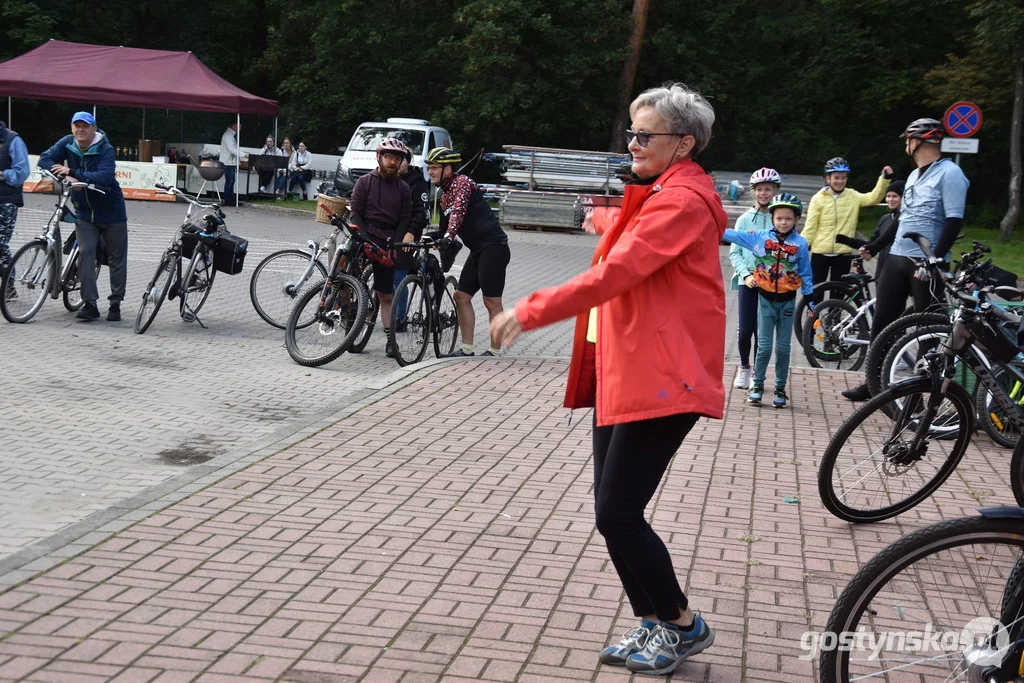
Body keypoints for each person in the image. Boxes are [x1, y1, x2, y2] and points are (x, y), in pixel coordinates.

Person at [490, 83, 724, 675]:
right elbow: (631, 239)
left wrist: (528, 309)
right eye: (631, 131)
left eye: (646, 135)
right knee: (611, 511)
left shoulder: (683, 201)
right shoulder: (662, 191)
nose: (633, 143)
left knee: (617, 513)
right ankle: (653, 622)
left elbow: (620, 271)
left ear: (684, 144)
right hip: (631, 372)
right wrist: (606, 217)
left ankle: (680, 624)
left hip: (665, 379)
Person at [842, 118, 968, 401]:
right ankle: (873, 383)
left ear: (918, 141)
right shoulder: (913, 176)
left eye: (907, 140)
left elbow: (954, 221)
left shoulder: (950, 173)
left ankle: (921, 394)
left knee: (928, 330)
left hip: (926, 263)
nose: (905, 145)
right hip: (897, 258)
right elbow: (902, 221)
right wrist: (875, 246)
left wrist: (935, 259)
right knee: (883, 322)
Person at [722, 192, 814, 408]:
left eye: (789, 218)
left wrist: (811, 299)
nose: (784, 222)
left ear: (796, 219)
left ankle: (780, 388)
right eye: (779, 218)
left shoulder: (800, 244)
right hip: (764, 301)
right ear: (772, 218)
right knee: (763, 347)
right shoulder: (759, 237)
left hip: (788, 302)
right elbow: (731, 235)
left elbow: (806, 274)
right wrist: (709, 221)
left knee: (783, 348)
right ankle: (757, 385)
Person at [38, 112, 128, 322]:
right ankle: (90, 303)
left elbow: (105, 177)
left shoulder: (105, 149)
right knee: (86, 254)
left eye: (85, 126)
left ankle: (115, 303)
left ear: (94, 129)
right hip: (85, 213)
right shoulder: (68, 143)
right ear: (71, 128)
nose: (80, 130)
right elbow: (45, 159)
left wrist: (73, 171)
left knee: (116, 259)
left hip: (112, 212)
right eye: (76, 126)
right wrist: (64, 175)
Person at [426, 146, 510, 357]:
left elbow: (458, 214)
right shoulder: (444, 196)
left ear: (448, 169)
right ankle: (466, 349)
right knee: (461, 296)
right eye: (429, 168)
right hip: (477, 250)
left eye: (435, 168)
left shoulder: (462, 183)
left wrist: (449, 236)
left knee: (492, 301)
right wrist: (428, 238)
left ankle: (495, 351)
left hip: (494, 247)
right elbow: (445, 228)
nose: (430, 172)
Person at [349, 137, 412, 357]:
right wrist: (363, 238)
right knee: (343, 267)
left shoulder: (404, 189)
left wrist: (394, 244)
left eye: (397, 158)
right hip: (363, 237)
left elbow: (405, 220)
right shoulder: (365, 182)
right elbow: (355, 211)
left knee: (385, 296)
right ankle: (338, 300)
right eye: (388, 157)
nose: (392, 162)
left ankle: (390, 341)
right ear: (379, 157)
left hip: (386, 243)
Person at [800, 157, 893, 303]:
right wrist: (798, 249)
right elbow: (810, 227)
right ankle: (811, 324)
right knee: (816, 292)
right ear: (828, 178)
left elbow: (873, 197)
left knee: (838, 294)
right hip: (820, 253)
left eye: (843, 178)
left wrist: (884, 179)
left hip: (842, 253)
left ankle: (834, 322)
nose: (840, 181)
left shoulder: (852, 195)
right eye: (836, 177)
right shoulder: (818, 198)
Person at [729, 167, 780, 390]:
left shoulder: (779, 220)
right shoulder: (743, 220)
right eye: (759, 189)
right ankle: (744, 366)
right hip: (747, 282)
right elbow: (734, 252)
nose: (763, 193)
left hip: (771, 283)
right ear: (754, 192)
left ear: (775, 191)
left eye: (768, 189)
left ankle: (758, 373)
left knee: (763, 331)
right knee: (745, 329)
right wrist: (746, 274)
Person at [835, 179, 904, 279]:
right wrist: (844, 240)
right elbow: (872, 244)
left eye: (895, 196)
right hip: (883, 269)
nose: (890, 200)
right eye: (888, 196)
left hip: (899, 269)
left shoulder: (906, 220)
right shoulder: (885, 219)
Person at [393, 153, 431, 323]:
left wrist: (411, 234)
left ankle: (400, 318)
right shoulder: (387, 178)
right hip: (387, 234)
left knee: (398, 277)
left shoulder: (418, 182)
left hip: (407, 235)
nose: (396, 163)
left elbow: (421, 213)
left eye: (401, 160)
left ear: (408, 162)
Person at [0, 119, 30, 297]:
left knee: (0, 244)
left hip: (5, 200)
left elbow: (22, 171)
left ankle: (8, 283)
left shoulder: (12, 140)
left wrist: (3, 175)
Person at [219, 122, 241, 203]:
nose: (240, 127)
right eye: (239, 125)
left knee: (231, 180)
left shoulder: (231, 135)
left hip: (230, 162)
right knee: (230, 180)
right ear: (234, 125)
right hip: (227, 162)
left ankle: (230, 198)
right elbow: (232, 149)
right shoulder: (228, 135)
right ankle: (228, 199)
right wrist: (243, 154)